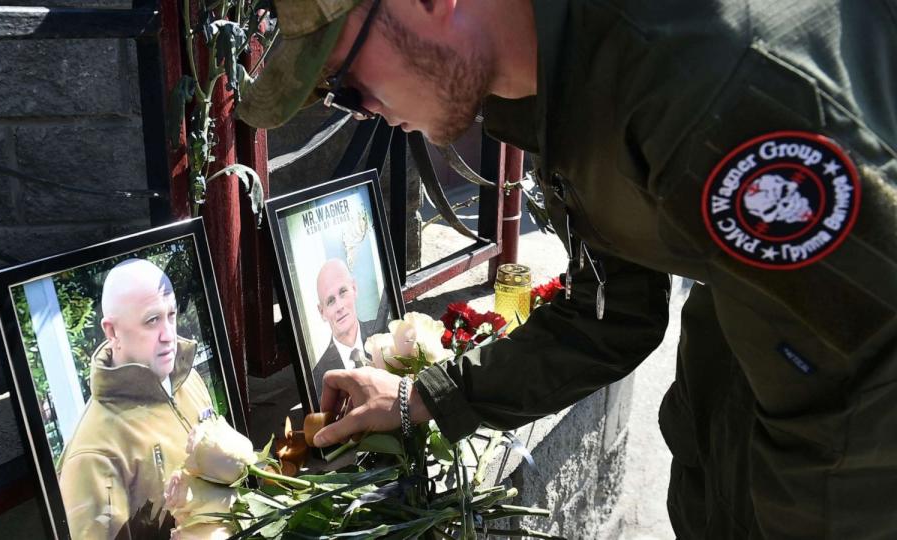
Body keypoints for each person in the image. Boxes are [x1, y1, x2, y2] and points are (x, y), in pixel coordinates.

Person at [238, 1, 897, 537]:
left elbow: (855, 397)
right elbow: (610, 314)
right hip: (751, 418)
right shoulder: (552, 76)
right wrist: (427, 398)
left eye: (347, 83)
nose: (363, 109)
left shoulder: (712, 82)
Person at [57, 259, 214, 539]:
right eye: (152, 320)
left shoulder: (188, 379)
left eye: (172, 314)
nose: (169, 336)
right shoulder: (92, 454)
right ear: (112, 331)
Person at [312, 258, 374, 396]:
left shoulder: (388, 332)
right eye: (330, 301)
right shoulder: (318, 378)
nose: (340, 306)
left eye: (343, 292)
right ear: (322, 312)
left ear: (354, 289)